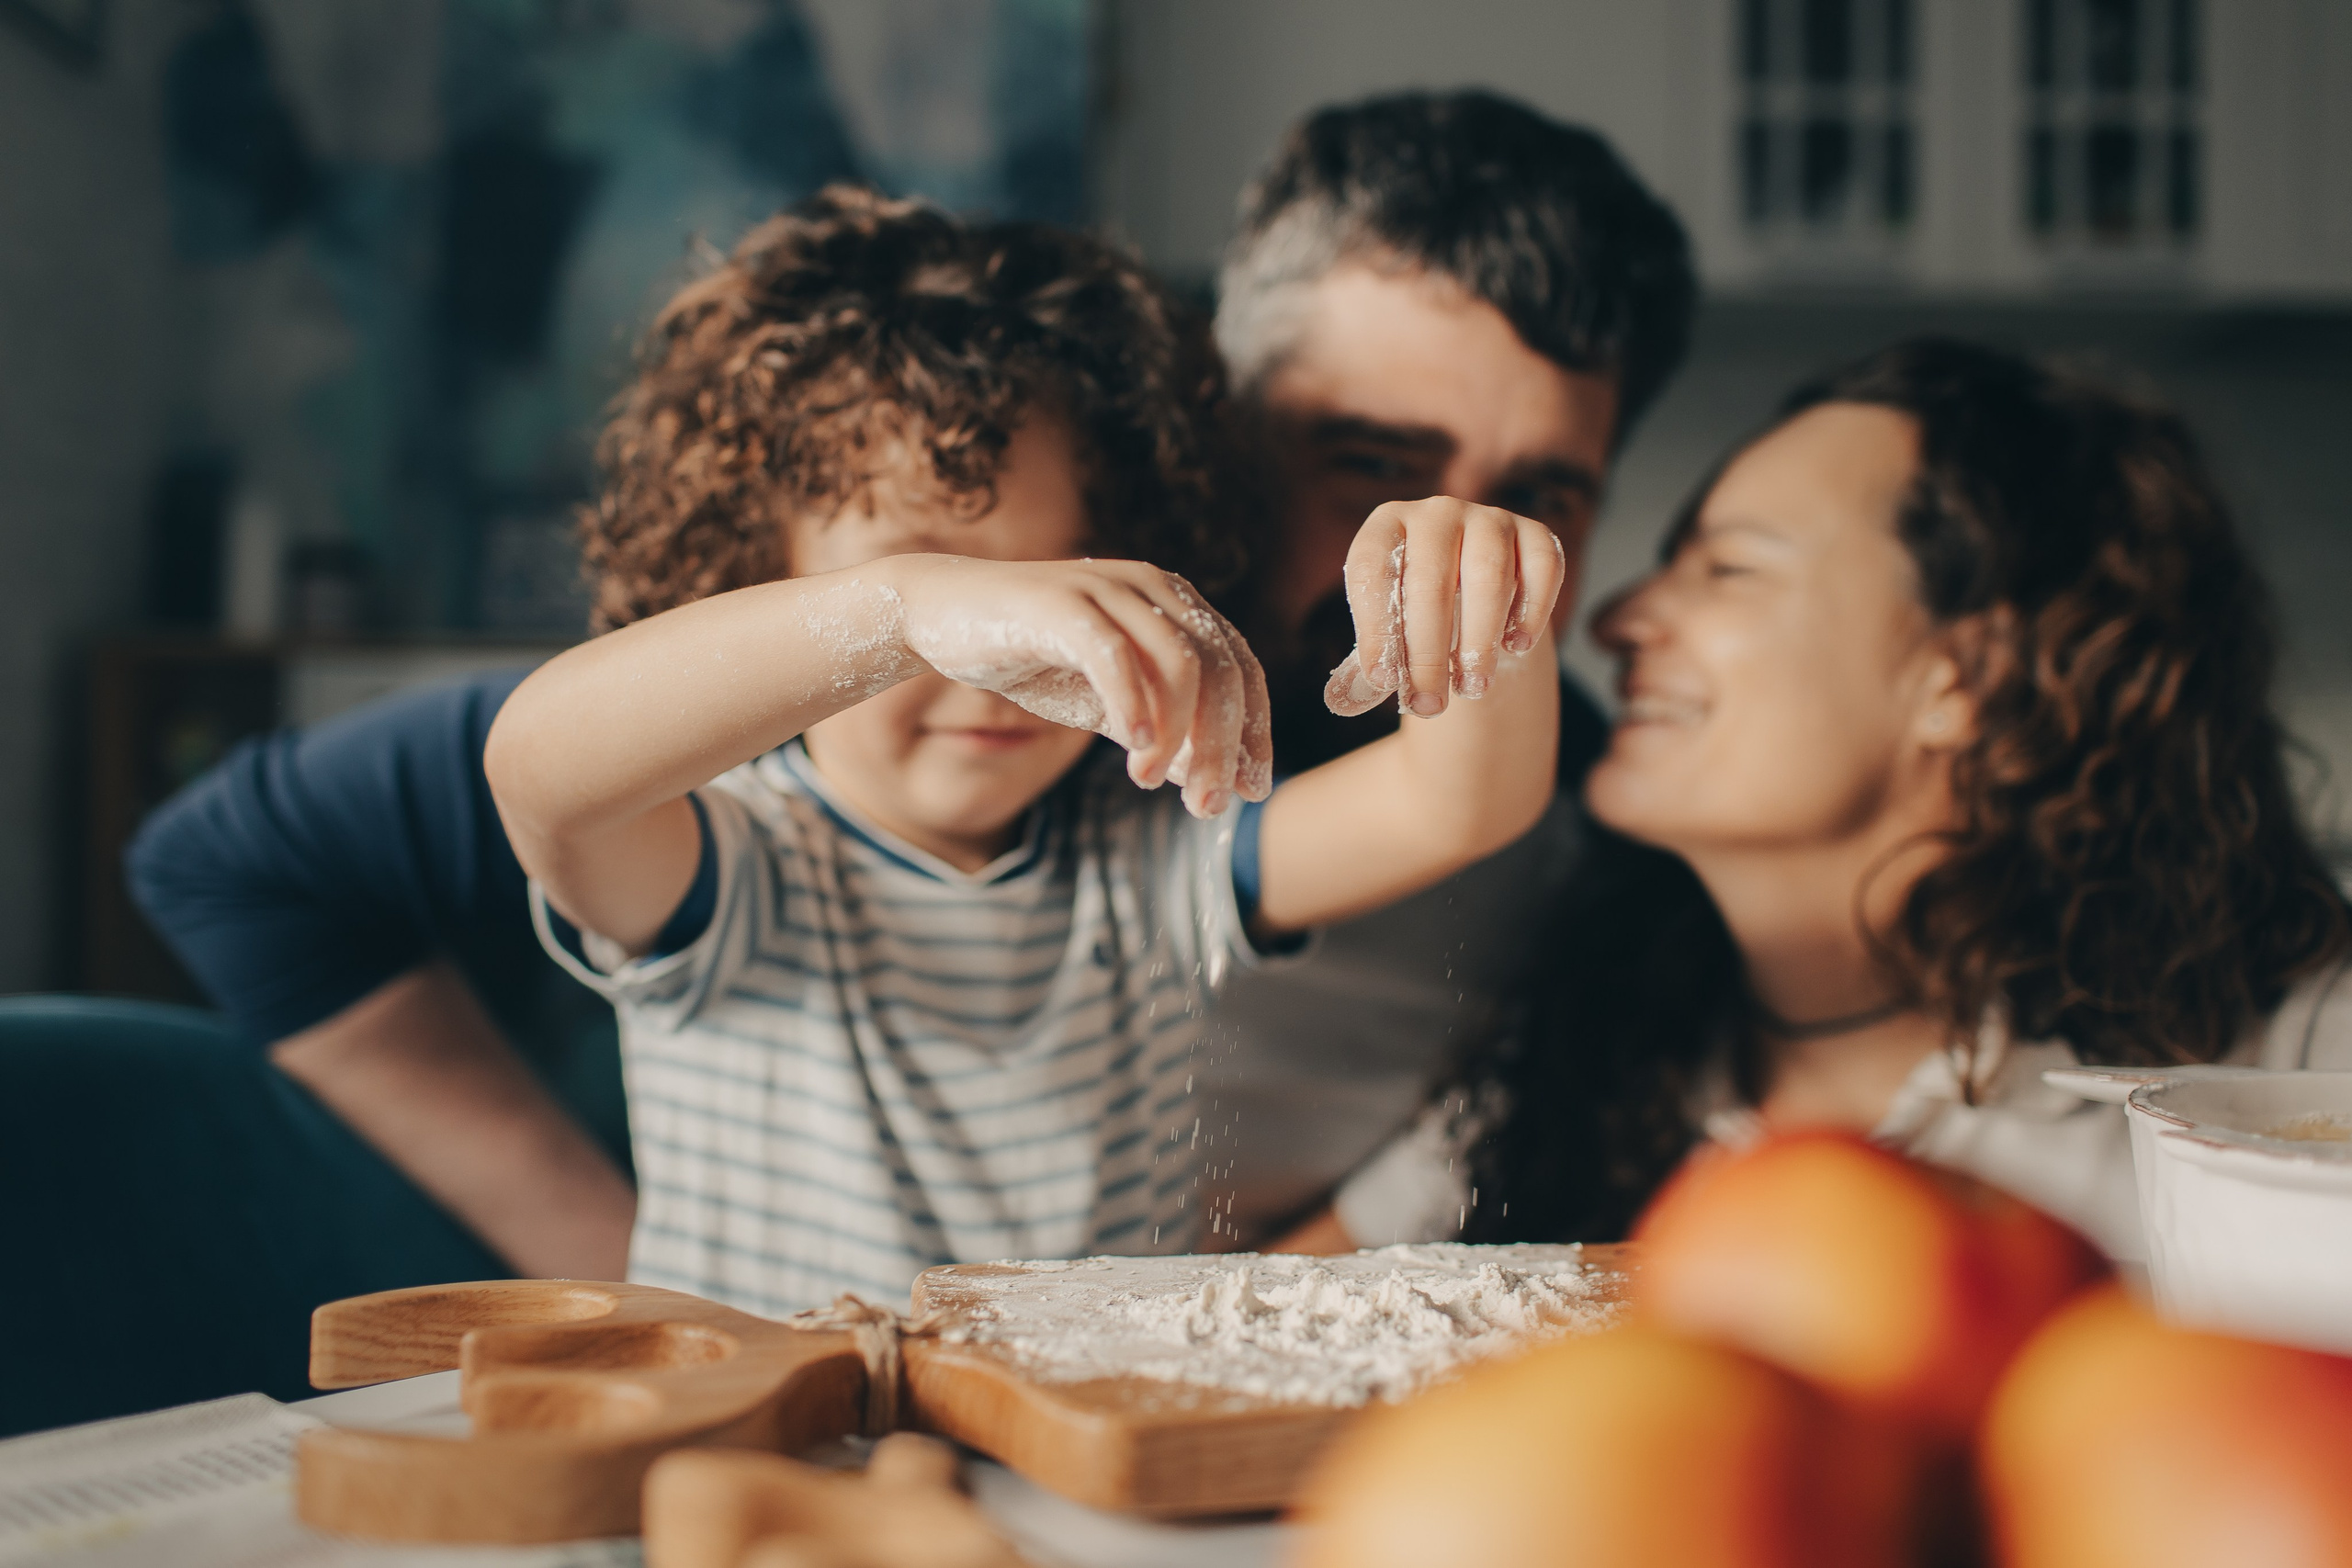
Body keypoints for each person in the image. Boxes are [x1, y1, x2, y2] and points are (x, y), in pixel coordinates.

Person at [481, 187, 1568, 1314]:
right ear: (753, 581)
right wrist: (904, 612)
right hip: (763, 1459)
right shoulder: (736, 863)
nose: (999, 660)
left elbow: (1462, 805)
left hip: (1066, 1466)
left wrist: (1470, 587)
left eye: (1055, 588)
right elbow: (539, 773)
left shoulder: (1150, 857)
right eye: (947, 586)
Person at [1317, 337, 2352, 1260]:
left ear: (1965, 676)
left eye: (1727, 569)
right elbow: (1243, 1328)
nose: (1618, 618)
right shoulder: (1565, 1060)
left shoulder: (2295, 1051)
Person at [1201, 91, 1698, 1244]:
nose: (1443, 571)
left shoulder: (1597, 838)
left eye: (1532, 502)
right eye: (1371, 464)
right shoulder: (1007, 713)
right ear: (1220, 426)